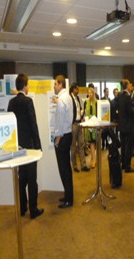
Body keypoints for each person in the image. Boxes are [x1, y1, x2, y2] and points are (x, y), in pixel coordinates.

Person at [7, 73, 44, 219]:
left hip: (17, 146)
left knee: (21, 178)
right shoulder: (28, 101)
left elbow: (9, 123)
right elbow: (33, 124)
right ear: (24, 86)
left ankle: (22, 207)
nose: (28, 87)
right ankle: (33, 209)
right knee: (32, 179)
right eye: (28, 85)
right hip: (30, 147)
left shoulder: (11, 102)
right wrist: (38, 145)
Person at [52, 75, 74, 208]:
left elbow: (60, 120)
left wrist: (58, 137)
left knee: (64, 169)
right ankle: (68, 195)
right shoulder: (68, 97)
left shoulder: (61, 100)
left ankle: (69, 199)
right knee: (67, 168)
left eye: (55, 84)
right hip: (68, 134)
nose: (54, 86)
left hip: (63, 136)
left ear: (60, 85)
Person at [116, 79, 134, 173]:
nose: (130, 86)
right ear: (126, 86)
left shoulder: (119, 95)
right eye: (129, 84)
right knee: (128, 147)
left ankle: (123, 164)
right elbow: (129, 110)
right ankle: (127, 167)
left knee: (123, 146)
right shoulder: (127, 96)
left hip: (121, 125)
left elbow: (116, 106)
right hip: (128, 125)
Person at [69, 82, 90, 172]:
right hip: (73, 124)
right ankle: (75, 165)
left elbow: (80, 108)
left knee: (81, 144)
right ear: (73, 89)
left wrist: (81, 115)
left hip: (79, 123)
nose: (78, 91)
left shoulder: (77, 98)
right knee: (73, 146)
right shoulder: (69, 98)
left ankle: (83, 164)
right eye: (76, 89)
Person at [84, 87, 97, 168]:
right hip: (89, 124)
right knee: (91, 143)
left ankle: (94, 159)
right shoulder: (86, 102)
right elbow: (85, 113)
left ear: (93, 93)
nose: (90, 94)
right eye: (89, 93)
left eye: (91, 93)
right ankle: (93, 159)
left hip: (95, 124)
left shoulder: (96, 102)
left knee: (93, 143)